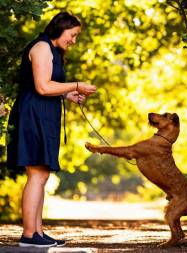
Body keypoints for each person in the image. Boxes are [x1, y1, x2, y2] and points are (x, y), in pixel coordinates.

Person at [7, 12, 96, 247]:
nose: (74, 40)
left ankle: (37, 232)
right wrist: (77, 84)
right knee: (36, 174)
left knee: (42, 174)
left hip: (44, 115)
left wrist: (68, 94)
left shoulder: (53, 51)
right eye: (73, 35)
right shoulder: (41, 47)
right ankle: (28, 235)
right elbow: (43, 87)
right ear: (60, 28)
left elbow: (50, 85)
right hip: (33, 114)